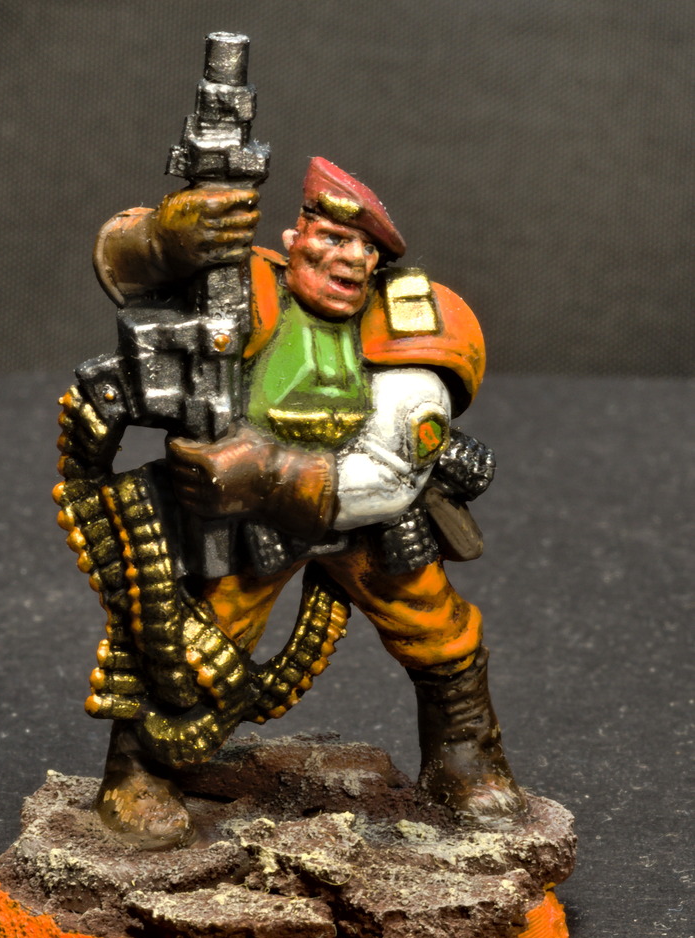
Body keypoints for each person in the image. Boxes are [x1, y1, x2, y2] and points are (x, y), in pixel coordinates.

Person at [83, 157, 526, 847]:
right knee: (198, 639)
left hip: (370, 515)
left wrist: (269, 474)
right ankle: (140, 770)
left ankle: (464, 757)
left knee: (435, 625)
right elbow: (126, 269)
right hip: (245, 522)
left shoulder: (409, 322)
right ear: (294, 241)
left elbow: (393, 471)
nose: (349, 258)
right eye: (332, 238)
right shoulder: (240, 287)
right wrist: (169, 237)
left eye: (365, 248)